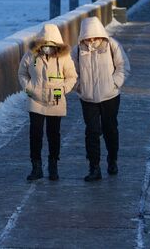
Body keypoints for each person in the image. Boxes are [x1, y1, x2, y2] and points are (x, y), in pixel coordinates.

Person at [71, 17, 130, 182]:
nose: (91, 40)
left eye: (94, 36)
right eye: (88, 37)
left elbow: (124, 66)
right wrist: (79, 87)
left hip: (110, 97)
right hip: (88, 99)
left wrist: (114, 83)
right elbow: (71, 72)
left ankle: (112, 160)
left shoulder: (112, 45)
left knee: (110, 129)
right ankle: (94, 167)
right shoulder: (77, 50)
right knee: (92, 132)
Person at [18, 24, 77, 181]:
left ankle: (53, 165)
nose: (47, 48)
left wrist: (62, 90)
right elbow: (22, 73)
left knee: (54, 134)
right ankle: (36, 167)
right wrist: (30, 89)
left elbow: (72, 76)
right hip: (35, 99)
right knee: (35, 134)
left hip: (55, 99)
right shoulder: (31, 56)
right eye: (45, 44)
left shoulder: (64, 57)